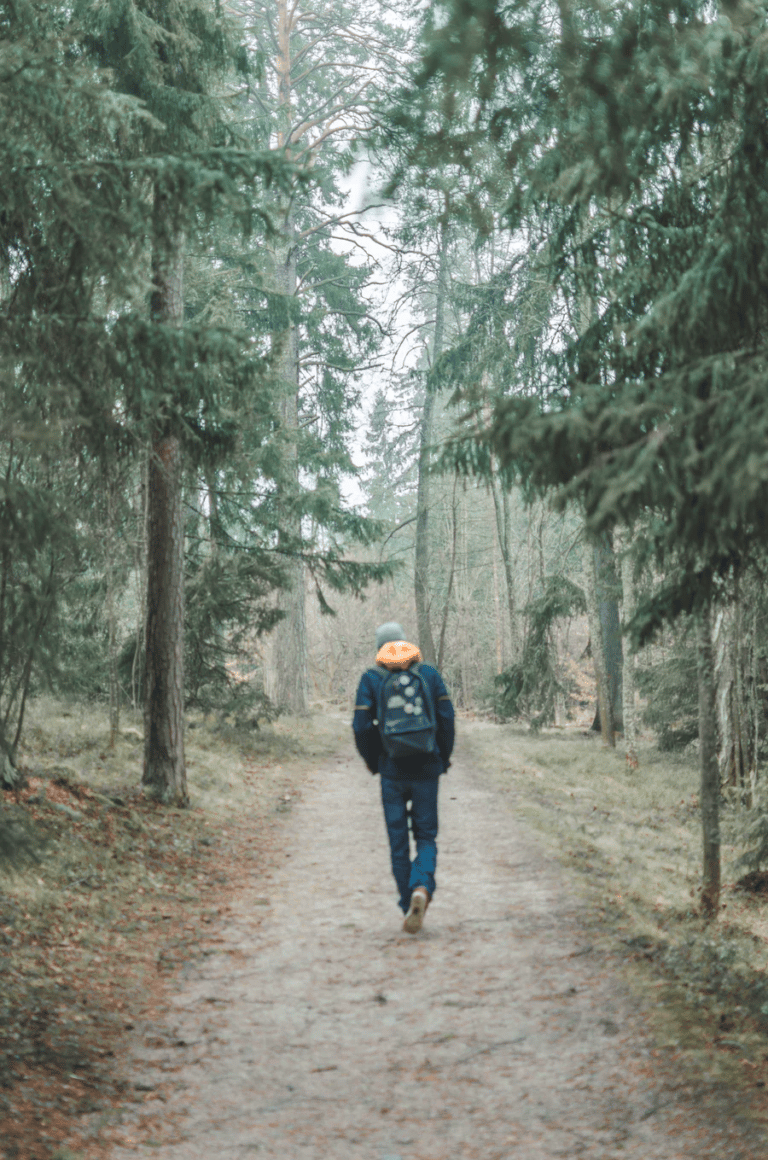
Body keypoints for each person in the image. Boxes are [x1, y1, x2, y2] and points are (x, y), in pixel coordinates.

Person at [352, 622, 455, 934]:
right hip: (426, 769)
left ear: (379, 648)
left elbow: (361, 727)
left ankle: (406, 901)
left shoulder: (371, 679)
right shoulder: (429, 675)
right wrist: (443, 757)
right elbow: (447, 719)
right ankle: (421, 887)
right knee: (425, 836)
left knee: (398, 842)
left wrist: (373, 762)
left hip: (392, 772)